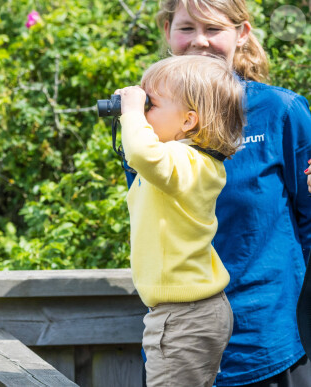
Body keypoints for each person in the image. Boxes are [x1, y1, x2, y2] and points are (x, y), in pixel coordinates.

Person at [122, 0, 311, 385]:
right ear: (167, 31)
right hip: (176, 333)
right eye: (187, 28)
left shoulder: (281, 111)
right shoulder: (153, 124)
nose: (200, 42)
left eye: (214, 29)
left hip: (265, 336)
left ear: (242, 34)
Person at [117, 54, 243, 386]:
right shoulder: (183, 163)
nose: (142, 113)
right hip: (183, 313)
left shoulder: (189, 161)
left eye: (150, 105)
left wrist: (130, 111)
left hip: (187, 315)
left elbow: (142, 154)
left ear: (188, 121)